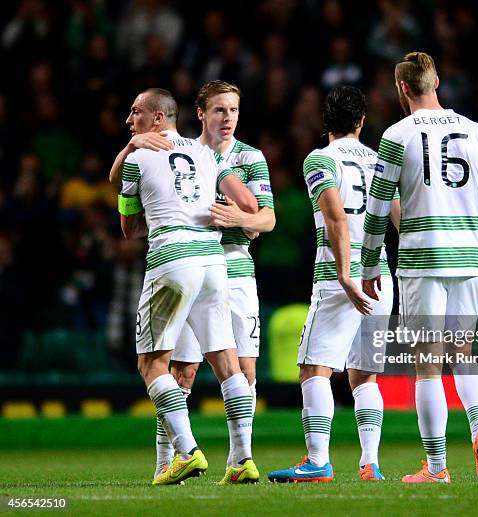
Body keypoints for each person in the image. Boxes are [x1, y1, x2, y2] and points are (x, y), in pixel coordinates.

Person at [361, 52, 478, 483]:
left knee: (427, 364)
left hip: (422, 258)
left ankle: (438, 467)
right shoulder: (477, 131)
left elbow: (376, 206)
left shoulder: (397, 134)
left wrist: (370, 260)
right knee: (463, 355)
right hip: (467, 257)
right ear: (436, 80)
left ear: (402, 88)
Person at [117, 88, 260, 485]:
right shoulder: (209, 154)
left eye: (135, 114)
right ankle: (243, 459)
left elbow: (129, 229)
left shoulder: (138, 158)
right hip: (215, 260)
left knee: (152, 363)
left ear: (158, 118)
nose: (130, 121)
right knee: (227, 362)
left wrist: (138, 180)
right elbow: (249, 205)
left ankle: (188, 451)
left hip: (173, 258)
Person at [268, 85, 400, 483]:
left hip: (340, 279)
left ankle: (317, 460)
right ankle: (370, 463)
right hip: (381, 276)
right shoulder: (378, 160)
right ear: (361, 122)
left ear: (326, 122)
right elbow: (400, 218)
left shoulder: (319, 160)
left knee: (313, 369)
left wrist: (345, 273)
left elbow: (336, 218)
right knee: (365, 376)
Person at [164, 80, 275, 485]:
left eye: (233, 111)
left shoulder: (250, 158)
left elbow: (267, 218)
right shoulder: (184, 154)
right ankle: (167, 458)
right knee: (182, 371)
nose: (227, 118)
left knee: (244, 370)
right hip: (192, 265)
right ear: (201, 114)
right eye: (219, 111)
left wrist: (238, 219)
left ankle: (238, 459)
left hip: (236, 269)